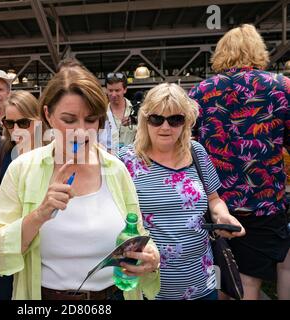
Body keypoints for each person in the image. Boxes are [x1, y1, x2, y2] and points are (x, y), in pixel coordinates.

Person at [0, 66, 160, 300]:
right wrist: (40, 214)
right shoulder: (22, 169)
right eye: (68, 119)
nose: (80, 131)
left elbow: (137, 233)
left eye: (90, 120)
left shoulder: (115, 170)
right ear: (48, 115)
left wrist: (150, 256)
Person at [188, 24, 290, 300]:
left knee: (221, 280)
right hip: (264, 203)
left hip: (214, 202)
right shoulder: (282, 87)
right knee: (249, 282)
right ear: (258, 51)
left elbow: (188, 149)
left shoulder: (201, 93)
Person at [117, 83, 245, 300]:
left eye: (175, 119)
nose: (165, 127)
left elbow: (214, 199)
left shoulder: (197, 153)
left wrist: (223, 215)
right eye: (157, 119)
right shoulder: (126, 161)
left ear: (186, 122)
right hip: (149, 287)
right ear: (144, 120)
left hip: (201, 283)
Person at [0, 90, 43, 300]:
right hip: (9, 238)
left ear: (39, 120)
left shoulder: (53, 150)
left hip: (43, 242)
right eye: (9, 123)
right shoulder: (0, 146)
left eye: (23, 122)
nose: (16, 130)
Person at [99, 72, 137, 154]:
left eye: (117, 90)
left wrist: (136, 121)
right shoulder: (100, 113)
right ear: (106, 90)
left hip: (134, 162)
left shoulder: (136, 110)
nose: (113, 94)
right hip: (109, 162)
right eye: (110, 90)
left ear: (125, 89)